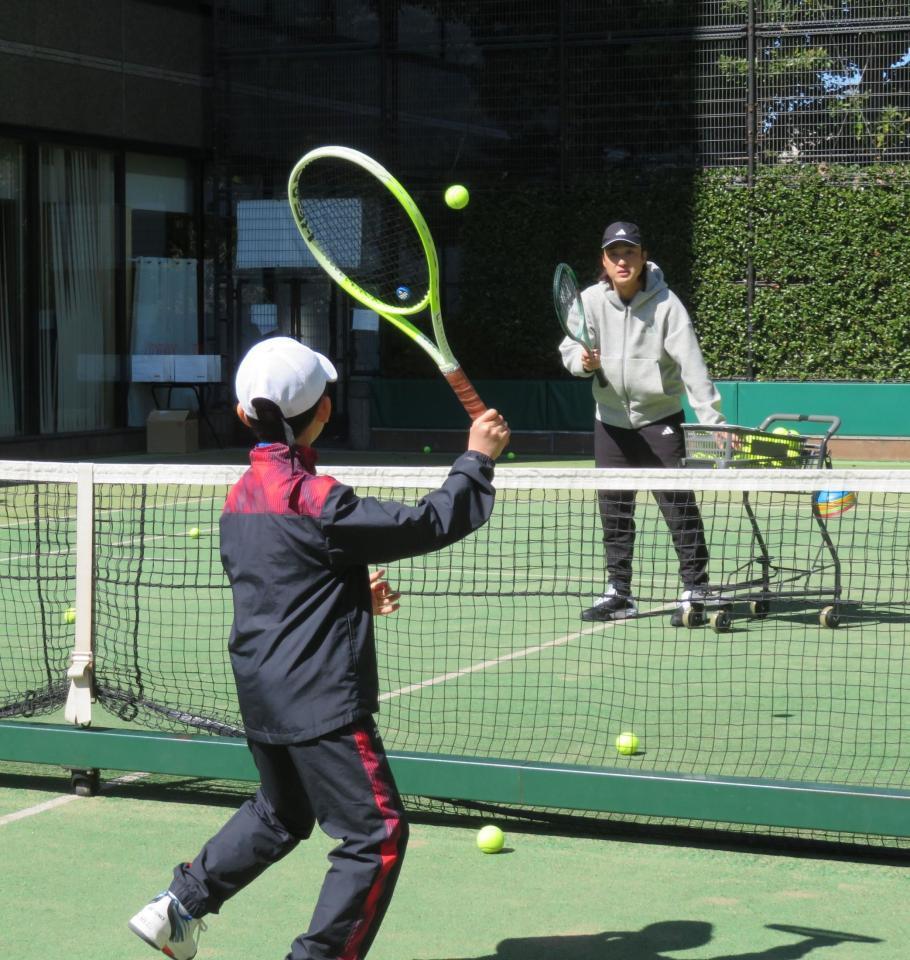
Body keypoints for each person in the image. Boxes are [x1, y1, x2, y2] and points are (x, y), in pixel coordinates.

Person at [128, 336, 510, 960]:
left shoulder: (240, 497)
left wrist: (354, 588)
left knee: (282, 813)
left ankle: (178, 906)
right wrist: (477, 459)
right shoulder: (317, 499)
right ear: (323, 412)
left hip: (262, 690)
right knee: (377, 835)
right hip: (319, 702)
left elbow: (289, 579)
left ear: (246, 414)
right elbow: (429, 522)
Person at [558, 221, 726, 626]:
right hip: (611, 420)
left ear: (642, 256)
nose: (622, 260)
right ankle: (619, 592)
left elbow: (692, 365)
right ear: (603, 260)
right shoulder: (589, 301)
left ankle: (696, 587)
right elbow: (569, 349)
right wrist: (582, 363)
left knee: (678, 506)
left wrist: (713, 423)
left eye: (629, 253)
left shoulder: (667, 304)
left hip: (659, 418)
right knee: (614, 511)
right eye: (614, 254)